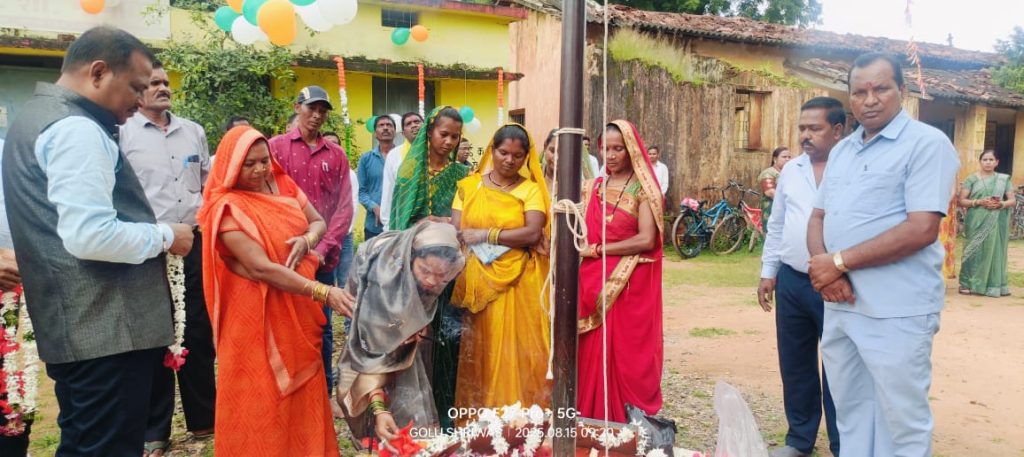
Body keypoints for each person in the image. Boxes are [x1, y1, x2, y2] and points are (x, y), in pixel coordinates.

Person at [1, 26, 195, 455]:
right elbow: (90, 235)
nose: (140, 101)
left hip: (80, 328)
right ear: (99, 72)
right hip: (107, 330)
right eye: (136, 88)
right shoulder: (77, 129)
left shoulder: (35, 116)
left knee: (86, 443)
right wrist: (167, 235)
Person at [807, 52, 960, 456]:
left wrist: (837, 262)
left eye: (881, 89)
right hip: (841, 304)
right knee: (852, 411)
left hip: (896, 309)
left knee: (901, 418)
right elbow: (818, 216)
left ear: (902, 91)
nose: (870, 100)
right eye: (859, 92)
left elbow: (921, 228)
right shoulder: (843, 150)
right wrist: (826, 272)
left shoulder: (927, 144)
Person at [197, 126, 349, 456]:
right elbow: (260, 268)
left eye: (264, 161)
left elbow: (318, 222)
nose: (260, 170)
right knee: (262, 396)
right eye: (249, 164)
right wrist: (323, 292)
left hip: (297, 308)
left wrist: (307, 240)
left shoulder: (281, 183)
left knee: (304, 389)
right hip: (255, 318)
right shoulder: (225, 208)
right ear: (230, 165)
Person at [119, 61, 216, 456]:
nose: (163, 88)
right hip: (148, 246)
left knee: (198, 330)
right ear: (138, 90)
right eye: (153, 83)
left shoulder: (193, 131)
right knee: (154, 335)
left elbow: (207, 183)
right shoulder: (123, 133)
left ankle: (205, 419)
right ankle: (155, 430)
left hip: (192, 242)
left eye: (166, 82)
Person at [757, 97, 845, 457]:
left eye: (814, 128)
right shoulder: (791, 170)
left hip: (838, 282)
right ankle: (799, 438)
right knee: (795, 363)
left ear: (837, 130)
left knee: (839, 365)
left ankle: (844, 443)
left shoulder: (853, 167)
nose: (805, 135)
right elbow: (777, 223)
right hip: (793, 280)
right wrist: (769, 272)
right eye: (802, 129)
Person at [335, 222, 465, 445]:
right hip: (374, 329)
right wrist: (379, 408)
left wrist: (418, 324)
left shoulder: (440, 270)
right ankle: (391, 435)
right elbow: (371, 356)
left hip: (400, 327)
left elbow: (426, 301)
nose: (431, 281)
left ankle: (411, 438)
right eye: (425, 271)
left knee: (413, 381)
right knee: (394, 400)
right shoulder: (383, 283)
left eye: (441, 275)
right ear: (410, 257)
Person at [451, 124, 551, 412]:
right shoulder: (470, 186)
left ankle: (520, 417)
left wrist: (486, 234)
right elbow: (459, 231)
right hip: (479, 280)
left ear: (526, 157)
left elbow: (532, 233)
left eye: (517, 156)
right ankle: (482, 418)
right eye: (503, 153)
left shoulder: (531, 189)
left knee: (517, 351)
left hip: (519, 281)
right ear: (492, 151)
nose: (509, 160)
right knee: (483, 348)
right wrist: (500, 235)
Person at [269, 85, 354, 393]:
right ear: (297, 107)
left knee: (322, 325)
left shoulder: (336, 155)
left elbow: (344, 208)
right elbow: (265, 198)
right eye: (311, 108)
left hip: (323, 259)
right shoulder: (275, 148)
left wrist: (322, 249)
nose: (317, 115)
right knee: (285, 325)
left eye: (322, 111)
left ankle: (323, 392)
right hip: (285, 255)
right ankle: (288, 391)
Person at [576, 120, 663, 422]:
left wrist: (598, 250)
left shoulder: (644, 189)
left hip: (625, 284)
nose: (610, 155)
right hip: (590, 281)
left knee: (623, 353)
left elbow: (646, 239)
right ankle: (588, 415)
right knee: (591, 350)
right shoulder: (593, 188)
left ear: (632, 150)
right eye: (605, 148)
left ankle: (623, 419)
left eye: (618, 149)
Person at [389, 106, 467, 429]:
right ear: (429, 132)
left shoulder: (462, 176)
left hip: (451, 272)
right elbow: (399, 224)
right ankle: (412, 419)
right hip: (416, 273)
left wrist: (449, 225)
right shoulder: (410, 172)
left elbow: (467, 221)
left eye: (455, 137)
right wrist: (429, 221)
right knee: (415, 341)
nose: (449, 142)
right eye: (443, 134)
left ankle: (446, 415)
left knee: (448, 341)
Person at [957, 150, 1015, 297]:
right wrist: (978, 202)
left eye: (991, 160)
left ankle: (992, 285)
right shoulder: (971, 179)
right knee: (973, 250)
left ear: (997, 162)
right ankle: (966, 283)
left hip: (996, 220)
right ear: (980, 161)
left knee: (994, 250)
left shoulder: (1003, 180)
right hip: (975, 219)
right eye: (985, 159)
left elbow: (1012, 200)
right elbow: (961, 200)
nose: (988, 162)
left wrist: (1001, 204)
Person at [324, 131, 360, 287]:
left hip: (344, 235)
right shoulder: (316, 170)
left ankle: (347, 304)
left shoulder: (349, 173)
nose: (332, 147)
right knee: (326, 280)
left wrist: (345, 229)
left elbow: (353, 201)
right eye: (328, 143)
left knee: (346, 280)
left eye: (335, 143)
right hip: (323, 235)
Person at [380, 112, 425, 231]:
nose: (414, 125)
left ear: (425, 126)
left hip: (430, 222)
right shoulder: (394, 155)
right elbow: (389, 191)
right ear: (403, 133)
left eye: (417, 122)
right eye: (408, 124)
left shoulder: (435, 152)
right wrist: (387, 225)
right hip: (402, 219)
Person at [357, 115, 397, 240]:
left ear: (395, 132)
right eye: (381, 125)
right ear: (375, 133)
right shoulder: (366, 159)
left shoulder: (403, 156)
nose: (385, 128)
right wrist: (374, 207)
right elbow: (361, 191)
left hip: (399, 223)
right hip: (374, 226)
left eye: (389, 125)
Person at [541, 128, 595, 198]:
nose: (556, 157)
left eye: (562, 152)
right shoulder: (534, 175)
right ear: (545, 147)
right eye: (552, 151)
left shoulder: (577, 186)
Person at [759, 146, 793, 231]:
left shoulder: (790, 173)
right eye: (784, 157)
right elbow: (770, 192)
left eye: (789, 157)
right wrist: (792, 203)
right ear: (775, 159)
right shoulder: (768, 173)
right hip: (772, 212)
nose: (787, 159)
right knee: (773, 235)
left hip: (789, 213)